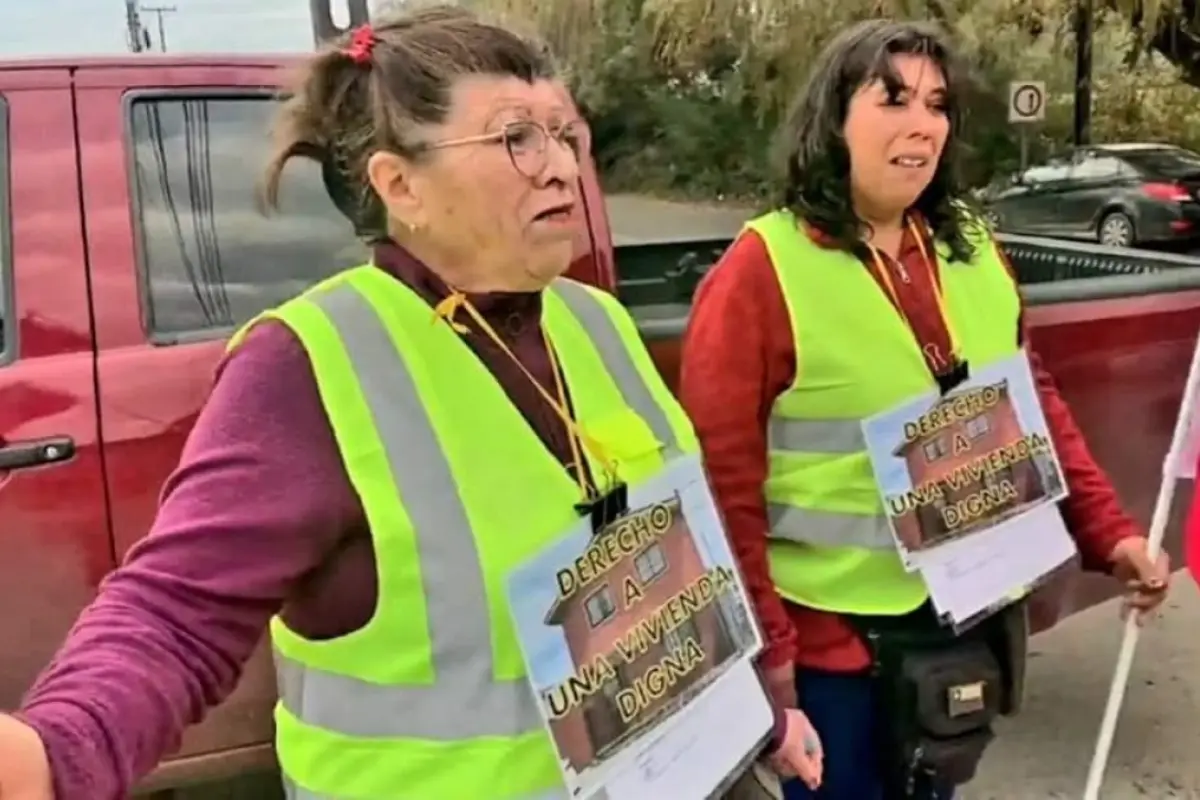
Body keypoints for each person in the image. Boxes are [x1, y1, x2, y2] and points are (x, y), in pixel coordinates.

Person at [0, 7, 823, 799]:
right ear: (401, 186)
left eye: (564, 133)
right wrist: (57, 756)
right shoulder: (309, 365)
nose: (564, 168)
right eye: (516, 138)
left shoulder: (594, 320)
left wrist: (759, 709)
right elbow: (173, 611)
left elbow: (681, 560)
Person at [678, 19, 1172, 800]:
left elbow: (1032, 404)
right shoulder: (760, 272)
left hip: (963, 621)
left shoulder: (971, 247)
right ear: (833, 120)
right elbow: (720, 491)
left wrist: (1110, 534)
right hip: (831, 650)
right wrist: (770, 667)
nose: (922, 124)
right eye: (894, 100)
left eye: (937, 105)